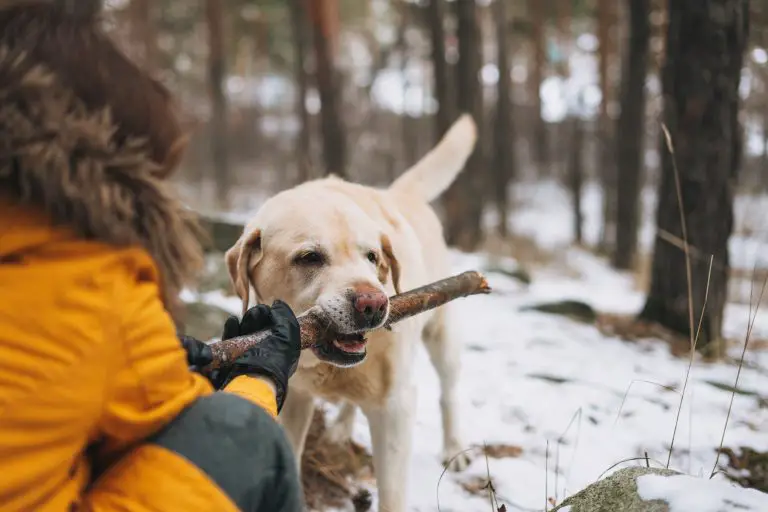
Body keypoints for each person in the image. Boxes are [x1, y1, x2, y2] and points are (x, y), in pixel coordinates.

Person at [0, 1, 303, 511]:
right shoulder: (90, 284)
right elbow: (195, 428)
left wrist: (164, 355)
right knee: (246, 434)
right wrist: (260, 376)